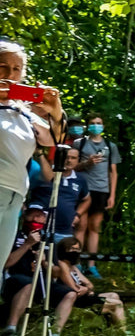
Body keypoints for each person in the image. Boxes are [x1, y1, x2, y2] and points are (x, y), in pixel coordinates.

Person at [0, 41, 63, 266]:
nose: (9, 74)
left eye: (16, 69)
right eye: (3, 66)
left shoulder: (23, 112)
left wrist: (56, 111)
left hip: (15, 196)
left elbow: (54, 138)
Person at [71, 114, 120, 276]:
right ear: (87, 126)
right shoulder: (80, 143)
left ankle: (91, 265)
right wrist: (87, 163)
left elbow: (113, 172)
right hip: (83, 189)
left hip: (101, 190)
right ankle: (75, 263)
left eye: (99, 123)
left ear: (103, 126)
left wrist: (112, 195)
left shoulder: (110, 146)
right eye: (92, 123)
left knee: (94, 227)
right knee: (81, 225)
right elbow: (72, 166)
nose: (96, 126)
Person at [0, 204, 51, 336]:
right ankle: (10, 329)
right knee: (28, 285)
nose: (36, 219)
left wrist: (43, 262)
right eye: (32, 215)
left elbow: (56, 271)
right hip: (14, 279)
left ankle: (55, 335)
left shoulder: (48, 239)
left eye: (40, 216)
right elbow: (5, 263)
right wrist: (27, 244)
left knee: (67, 292)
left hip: (41, 280)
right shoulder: (13, 234)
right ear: (24, 216)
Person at [53, 237, 123, 330]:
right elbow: (73, 288)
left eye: (77, 249)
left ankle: (112, 329)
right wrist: (85, 289)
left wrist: (86, 288)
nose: (75, 252)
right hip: (75, 299)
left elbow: (90, 284)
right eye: (72, 249)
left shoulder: (73, 267)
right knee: (117, 304)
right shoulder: (62, 264)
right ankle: (123, 332)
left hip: (84, 296)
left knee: (113, 295)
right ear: (64, 250)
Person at [27, 145, 86, 242]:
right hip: (39, 231)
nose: (69, 161)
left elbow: (86, 199)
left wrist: (78, 215)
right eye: (66, 157)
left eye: (73, 158)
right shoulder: (45, 172)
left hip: (64, 233)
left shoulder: (80, 180)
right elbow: (47, 178)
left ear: (78, 160)